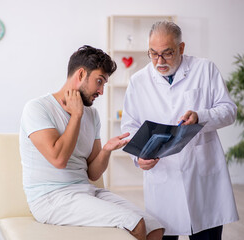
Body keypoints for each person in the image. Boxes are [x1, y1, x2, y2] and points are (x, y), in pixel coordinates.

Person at [19, 45, 164, 240]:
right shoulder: (37, 108)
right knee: (135, 224)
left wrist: (106, 150)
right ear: (80, 74)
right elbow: (59, 159)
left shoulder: (92, 115)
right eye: (99, 81)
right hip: (50, 199)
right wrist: (76, 115)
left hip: (86, 191)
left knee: (154, 228)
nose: (102, 91)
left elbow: (93, 173)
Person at [121, 21, 239, 240]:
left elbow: (229, 110)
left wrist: (200, 116)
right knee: (164, 233)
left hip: (202, 177)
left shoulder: (205, 69)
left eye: (167, 53)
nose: (159, 61)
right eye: (153, 54)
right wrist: (139, 158)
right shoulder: (138, 81)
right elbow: (129, 127)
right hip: (163, 178)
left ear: (181, 48)